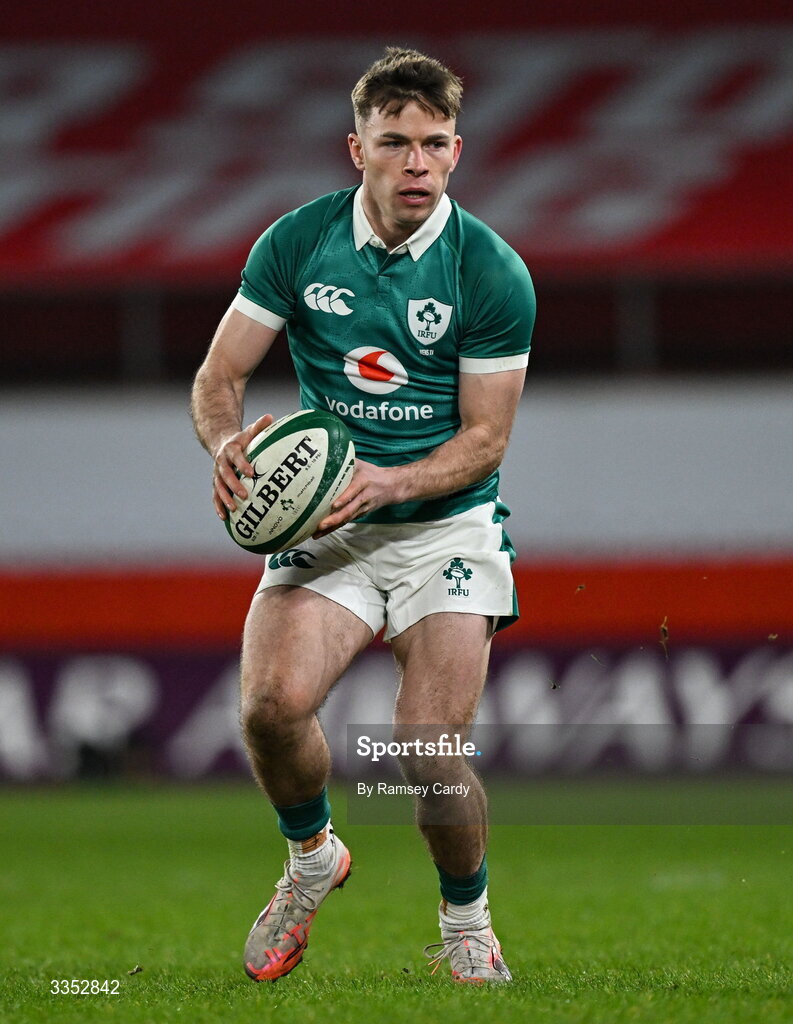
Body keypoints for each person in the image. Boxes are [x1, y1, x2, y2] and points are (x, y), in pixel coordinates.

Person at [191, 46, 535, 985]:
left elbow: (485, 442)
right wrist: (225, 445)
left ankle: (467, 921)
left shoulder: (492, 272)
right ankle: (312, 859)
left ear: (456, 151)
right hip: (330, 528)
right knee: (268, 708)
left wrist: (389, 484)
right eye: (394, 143)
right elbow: (220, 378)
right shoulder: (297, 243)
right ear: (357, 149)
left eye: (432, 144)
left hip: (445, 528)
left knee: (426, 752)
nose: (414, 162)